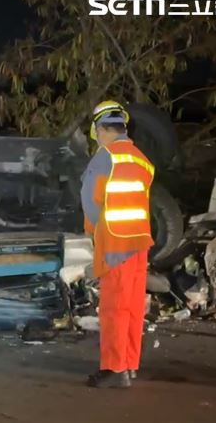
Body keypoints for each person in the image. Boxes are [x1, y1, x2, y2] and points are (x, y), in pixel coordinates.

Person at [81, 100, 155, 388]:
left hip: (114, 242)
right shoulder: (141, 159)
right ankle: (129, 364)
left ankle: (114, 369)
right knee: (133, 307)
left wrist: (92, 234)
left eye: (97, 132)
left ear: (100, 129)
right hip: (140, 241)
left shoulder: (104, 157)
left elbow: (91, 202)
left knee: (113, 308)